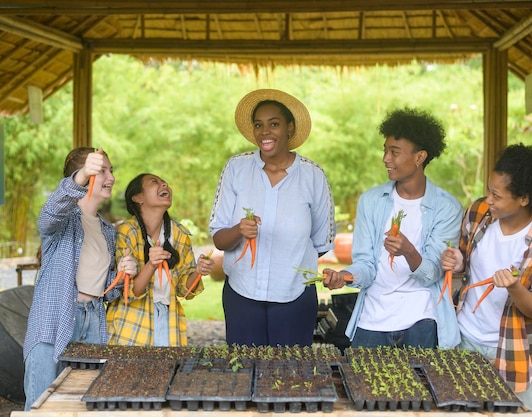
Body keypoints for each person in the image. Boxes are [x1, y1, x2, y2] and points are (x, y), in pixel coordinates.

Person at [440, 143, 532, 412]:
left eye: (496, 196)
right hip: (466, 341)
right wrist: (458, 261)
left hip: (516, 353)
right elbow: (466, 261)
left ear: (524, 199)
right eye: (488, 190)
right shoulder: (478, 214)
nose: (488, 199)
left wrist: (515, 287)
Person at [323, 107, 463, 349]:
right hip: (372, 321)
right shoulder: (371, 201)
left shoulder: (446, 208)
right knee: (364, 387)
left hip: (421, 322)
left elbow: (432, 274)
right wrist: (343, 276)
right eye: (385, 150)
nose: (386, 158)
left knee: (418, 387)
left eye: (394, 152)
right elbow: (366, 264)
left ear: (419, 157)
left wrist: (408, 251)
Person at [209, 88, 336, 347]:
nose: (265, 132)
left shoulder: (313, 176)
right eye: (259, 125)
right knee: (245, 372)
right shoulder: (236, 168)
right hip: (241, 293)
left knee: (290, 376)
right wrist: (239, 231)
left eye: (274, 124)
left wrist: (286, 267)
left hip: (296, 295)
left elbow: (320, 243)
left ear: (290, 128)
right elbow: (219, 239)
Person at [23, 147, 136, 410]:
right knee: (42, 406)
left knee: (82, 405)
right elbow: (51, 211)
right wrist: (82, 175)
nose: (111, 177)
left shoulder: (108, 230)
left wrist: (122, 274)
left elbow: (106, 292)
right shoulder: (62, 220)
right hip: (54, 319)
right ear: (85, 176)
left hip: (94, 320)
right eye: (103, 170)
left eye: (111, 171)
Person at [106, 173, 213, 346]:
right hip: (130, 322)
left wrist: (198, 272)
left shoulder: (180, 234)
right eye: (155, 182)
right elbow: (130, 292)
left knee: (166, 372)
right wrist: (151, 265)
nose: (165, 185)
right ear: (138, 197)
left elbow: (183, 290)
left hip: (169, 322)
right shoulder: (127, 232)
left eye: (165, 183)